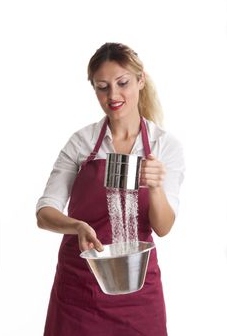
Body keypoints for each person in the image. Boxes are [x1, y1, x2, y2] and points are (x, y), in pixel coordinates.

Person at [36, 42, 185, 336]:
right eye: (102, 86)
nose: (113, 95)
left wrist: (154, 185)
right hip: (79, 290)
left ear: (140, 79)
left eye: (123, 83)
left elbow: (164, 227)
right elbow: (44, 212)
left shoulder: (163, 146)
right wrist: (75, 225)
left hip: (138, 293)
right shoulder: (82, 143)